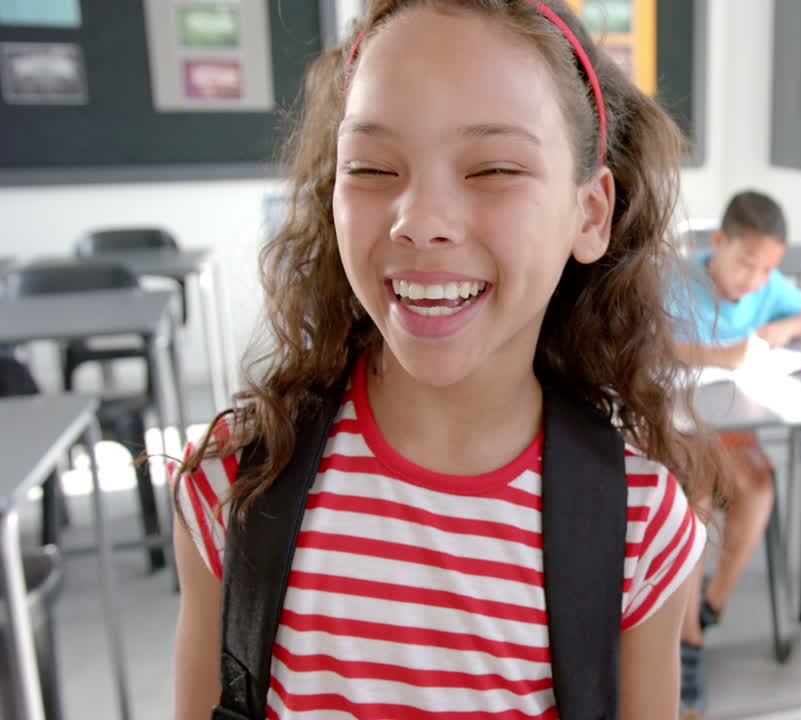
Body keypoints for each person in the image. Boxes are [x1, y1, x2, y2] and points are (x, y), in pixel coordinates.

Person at [170, 2, 723, 718]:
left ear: (589, 214)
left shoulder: (637, 529)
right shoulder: (235, 487)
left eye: (493, 168)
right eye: (370, 166)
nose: (420, 220)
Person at [670, 190, 801, 717]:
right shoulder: (677, 280)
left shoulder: (767, 285)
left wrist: (785, 327)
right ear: (718, 243)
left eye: (766, 271)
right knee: (694, 499)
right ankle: (688, 642)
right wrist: (719, 354)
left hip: (736, 425)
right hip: (682, 424)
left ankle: (712, 603)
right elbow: (647, 344)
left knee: (758, 483)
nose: (754, 281)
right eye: (745, 265)